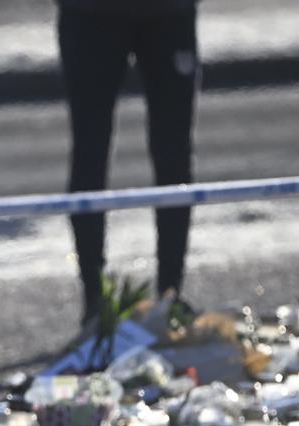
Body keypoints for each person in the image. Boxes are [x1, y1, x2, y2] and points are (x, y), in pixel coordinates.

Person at [57, 0, 200, 327]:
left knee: (174, 153)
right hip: (89, 14)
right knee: (90, 151)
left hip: (169, 13)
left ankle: (170, 296)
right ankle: (95, 300)